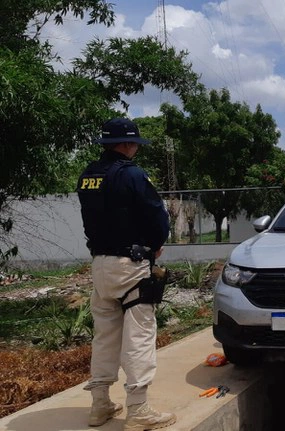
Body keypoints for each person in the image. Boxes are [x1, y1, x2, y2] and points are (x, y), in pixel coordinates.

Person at [77, 117, 175, 430]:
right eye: (134, 143)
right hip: (130, 266)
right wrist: (155, 245)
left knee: (105, 335)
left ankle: (100, 404)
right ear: (127, 144)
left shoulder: (88, 176)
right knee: (139, 334)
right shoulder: (133, 175)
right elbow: (157, 218)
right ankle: (138, 410)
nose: (135, 149)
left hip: (101, 265)